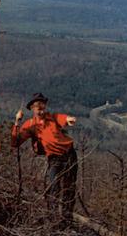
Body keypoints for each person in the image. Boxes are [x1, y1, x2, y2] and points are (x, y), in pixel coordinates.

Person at [12, 93, 78, 221]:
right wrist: (17, 122)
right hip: (54, 159)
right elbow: (15, 142)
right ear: (32, 108)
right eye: (37, 105)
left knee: (69, 188)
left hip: (69, 155)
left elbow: (62, 118)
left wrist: (69, 119)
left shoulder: (52, 118)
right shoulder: (30, 125)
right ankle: (52, 219)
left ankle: (67, 219)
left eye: (42, 104)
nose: (40, 107)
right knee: (53, 187)